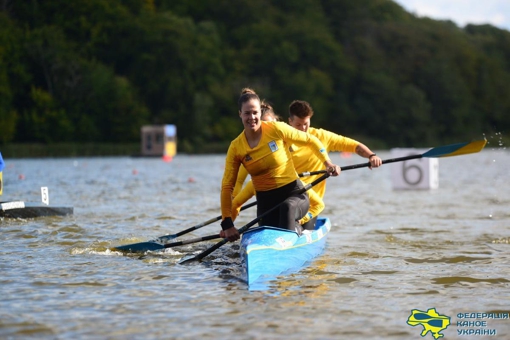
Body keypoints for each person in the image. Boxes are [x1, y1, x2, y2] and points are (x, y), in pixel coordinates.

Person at [220, 89, 341, 242]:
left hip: (294, 194)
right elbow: (227, 187)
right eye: (247, 113)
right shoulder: (236, 147)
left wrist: (327, 162)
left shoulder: (276, 129)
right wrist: (227, 224)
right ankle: (288, 233)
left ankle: (296, 230)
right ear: (240, 114)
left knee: (287, 208)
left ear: (260, 112)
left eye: (255, 113)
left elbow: (312, 141)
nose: (252, 117)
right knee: (268, 233)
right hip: (266, 204)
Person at [287, 100, 382, 228]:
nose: (303, 129)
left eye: (306, 124)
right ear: (290, 122)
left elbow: (354, 146)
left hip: (310, 204)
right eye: (298, 125)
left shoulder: (321, 136)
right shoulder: (282, 138)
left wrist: (371, 156)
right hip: (286, 197)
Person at [232, 101, 281, 198]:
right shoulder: (250, 151)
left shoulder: (284, 135)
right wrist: (233, 201)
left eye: (270, 123)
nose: (267, 128)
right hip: (264, 190)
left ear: (275, 120)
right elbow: (239, 180)